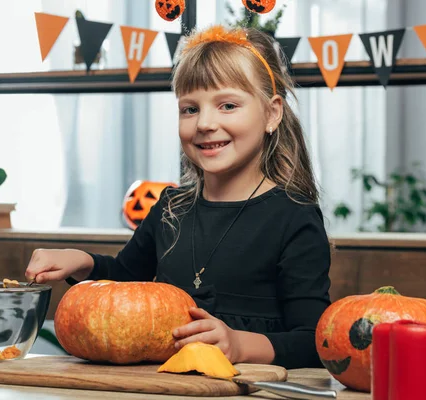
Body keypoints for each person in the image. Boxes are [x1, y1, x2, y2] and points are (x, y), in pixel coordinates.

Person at [25, 24, 331, 369]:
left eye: (227, 105)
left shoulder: (294, 216)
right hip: (168, 384)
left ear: (272, 113)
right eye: (190, 109)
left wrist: (239, 345)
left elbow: (314, 341)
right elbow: (126, 280)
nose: (205, 123)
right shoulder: (171, 207)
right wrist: (84, 262)